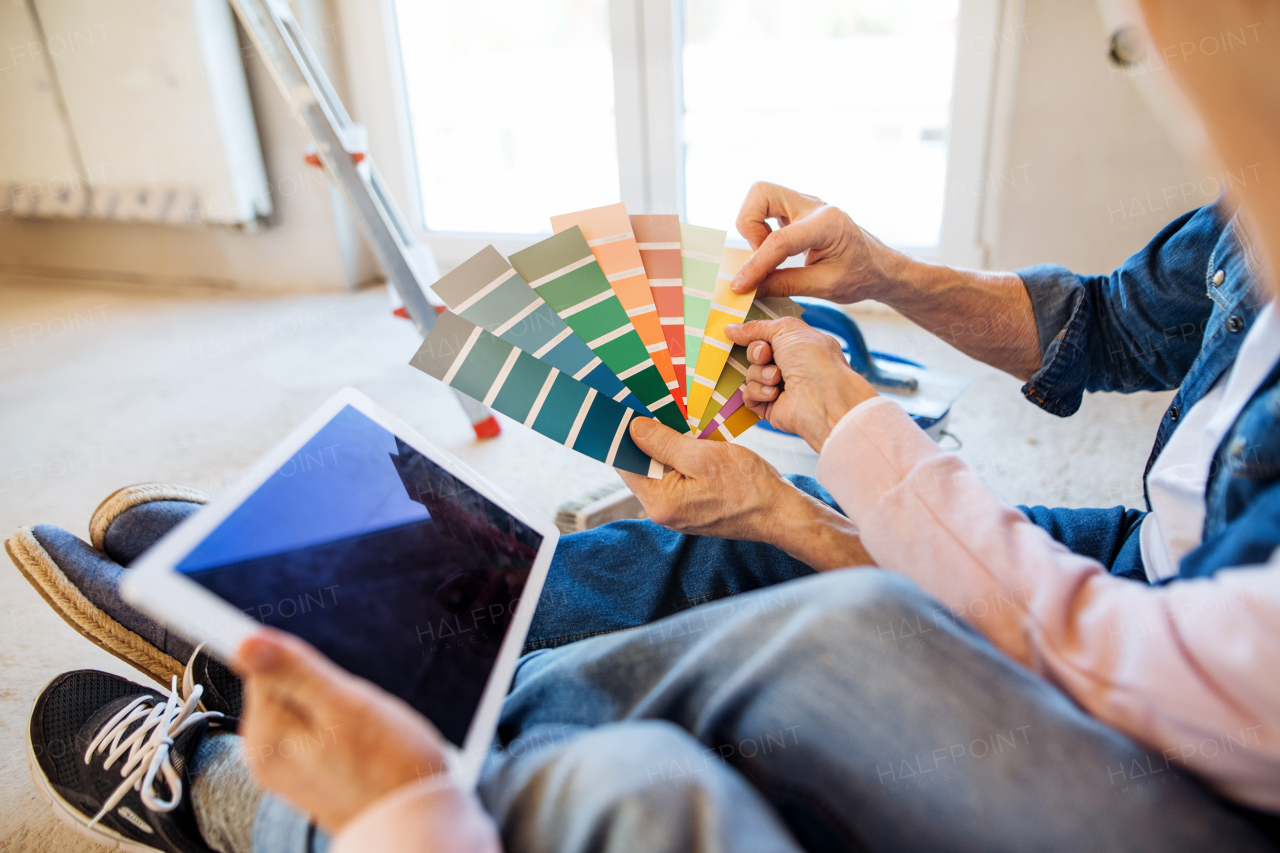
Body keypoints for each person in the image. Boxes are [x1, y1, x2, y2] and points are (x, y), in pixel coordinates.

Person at [22, 0, 1280, 849]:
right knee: (711, 557)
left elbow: (1139, 681)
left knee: (727, 681)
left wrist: (821, 479)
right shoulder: (1252, 210)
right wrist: (888, 277)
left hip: (1174, 722)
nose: (1168, 78)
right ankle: (330, 625)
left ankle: (281, 771)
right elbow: (1116, 321)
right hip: (1152, 572)